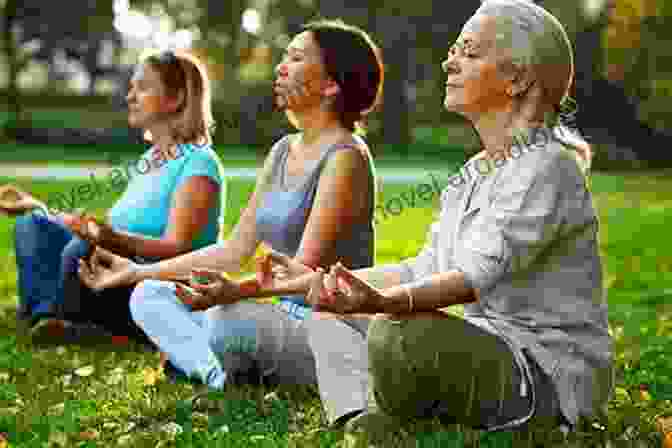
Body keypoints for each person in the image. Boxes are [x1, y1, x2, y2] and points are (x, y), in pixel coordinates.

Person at [253, 0, 613, 440]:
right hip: (483, 344)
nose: (449, 61)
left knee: (395, 334)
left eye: (469, 51)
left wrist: (382, 304)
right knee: (328, 315)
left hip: (541, 376)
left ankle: (390, 411)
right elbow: (420, 271)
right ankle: (360, 417)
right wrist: (318, 283)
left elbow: (468, 279)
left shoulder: (547, 167)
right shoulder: (471, 175)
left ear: (517, 78)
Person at [78, 19, 383, 397]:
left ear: (331, 84)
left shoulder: (346, 158)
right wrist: (136, 273)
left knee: (226, 318)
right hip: (270, 312)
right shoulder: (283, 150)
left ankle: (206, 362)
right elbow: (233, 250)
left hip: (324, 325)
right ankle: (217, 374)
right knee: (150, 295)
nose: (280, 67)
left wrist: (232, 293)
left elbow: (302, 273)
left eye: (296, 58)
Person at [4, 50, 226, 344]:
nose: (130, 97)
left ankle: (70, 321)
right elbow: (105, 229)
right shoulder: (149, 161)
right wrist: (38, 207)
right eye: (132, 87)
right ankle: (53, 317)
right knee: (32, 225)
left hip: (154, 283)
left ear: (176, 99)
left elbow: (179, 248)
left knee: (83, 248)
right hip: (115, 264)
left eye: (143, 87)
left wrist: (107, 239)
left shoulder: (198, 162)